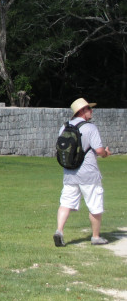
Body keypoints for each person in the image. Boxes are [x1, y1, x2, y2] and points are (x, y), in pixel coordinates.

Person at [53, 98, 111, 247]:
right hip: (88, 174)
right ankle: (96, 237)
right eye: (89, 109)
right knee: (95, 204)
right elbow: (98, 151)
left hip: (70, 173)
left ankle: (59, 231)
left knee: (65, 203)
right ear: (82, 111)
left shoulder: (64, 127)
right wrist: (105, 153)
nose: (91, 112)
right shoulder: (90, 128)